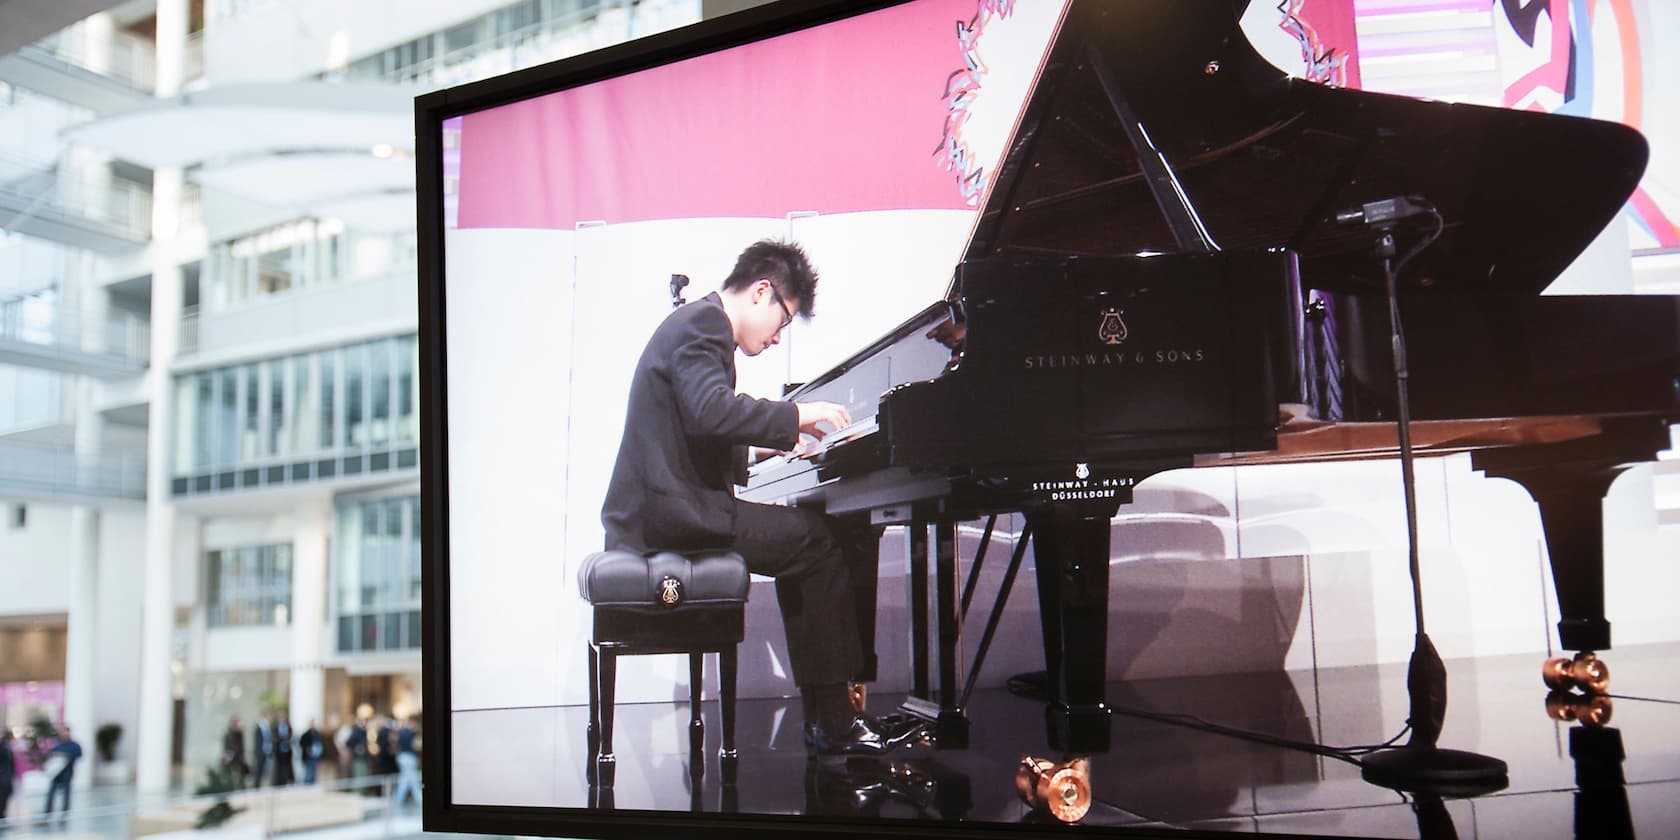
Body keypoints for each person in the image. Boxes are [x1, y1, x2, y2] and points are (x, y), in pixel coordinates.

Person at [600, 238, 917, 757]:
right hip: (668, 518)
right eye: (783, 321)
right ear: (761, 291)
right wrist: (796, 415)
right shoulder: (704, 327)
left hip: (659, 510)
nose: (776, 339)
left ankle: (827, 716)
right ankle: (835, 721)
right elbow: (709, 411)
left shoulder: (696, 326)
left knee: (808, 542)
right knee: (817, 544)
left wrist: (765, 454)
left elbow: (694, 431)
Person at [42, 726, 82, 815]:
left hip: (67, 773)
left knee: (66, 793)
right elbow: (50, 756)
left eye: (65, 732)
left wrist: (67, 757)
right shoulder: (57, 744)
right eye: (62, 732)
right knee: (51, 792)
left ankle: (65, 812)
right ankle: (47, 812)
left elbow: (78, 755)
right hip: (56, 773)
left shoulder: (74, 745)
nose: (64, 734)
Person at [391, 717, 421, 807]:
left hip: (402, 757)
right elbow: (415, 745)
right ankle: (418, 798)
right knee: (411, 780)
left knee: (406, 780)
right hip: (408, 757)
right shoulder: (409, 732)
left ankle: (397, 799)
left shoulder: (401, 732)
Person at [221, 717, 249, 788]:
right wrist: (227, 758)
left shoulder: (240, 734)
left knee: (241, 778)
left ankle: (241, 788)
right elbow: (227, 748)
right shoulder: (229, 735)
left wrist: (244, 758)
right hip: (232, 760)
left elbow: (242, 748)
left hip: (239, 759)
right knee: (232, 777)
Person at [250, 711, 273, 787]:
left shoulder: (267, 726)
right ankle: (256, 785)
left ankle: (262, 784)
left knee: (264, 769)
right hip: (260, 752)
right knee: (259, 769)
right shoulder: (260, 726)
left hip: (266, 751)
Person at [299, 719, 323, 784]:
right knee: (308, 772)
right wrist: (307, 749)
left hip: (315, 756)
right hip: (308, 757)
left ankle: (312, 784)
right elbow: (302, 744)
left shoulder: (317, 734)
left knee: (314, 772)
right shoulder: (306, 734)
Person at [272, 716, 294, 785]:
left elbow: (290, 736)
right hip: (279, 751)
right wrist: (281, 738)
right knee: (279, 767)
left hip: (287, 751)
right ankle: (279, 781)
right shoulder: (276, 728)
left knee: (287, 767)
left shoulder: (288, 727)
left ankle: (288, 779)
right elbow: (275, 738)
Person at [0, 729, 15, 820]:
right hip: (3, 778)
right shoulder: (4, 748)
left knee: (4, 798)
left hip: (6, 778)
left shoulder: (7, 747)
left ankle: (2, 815)